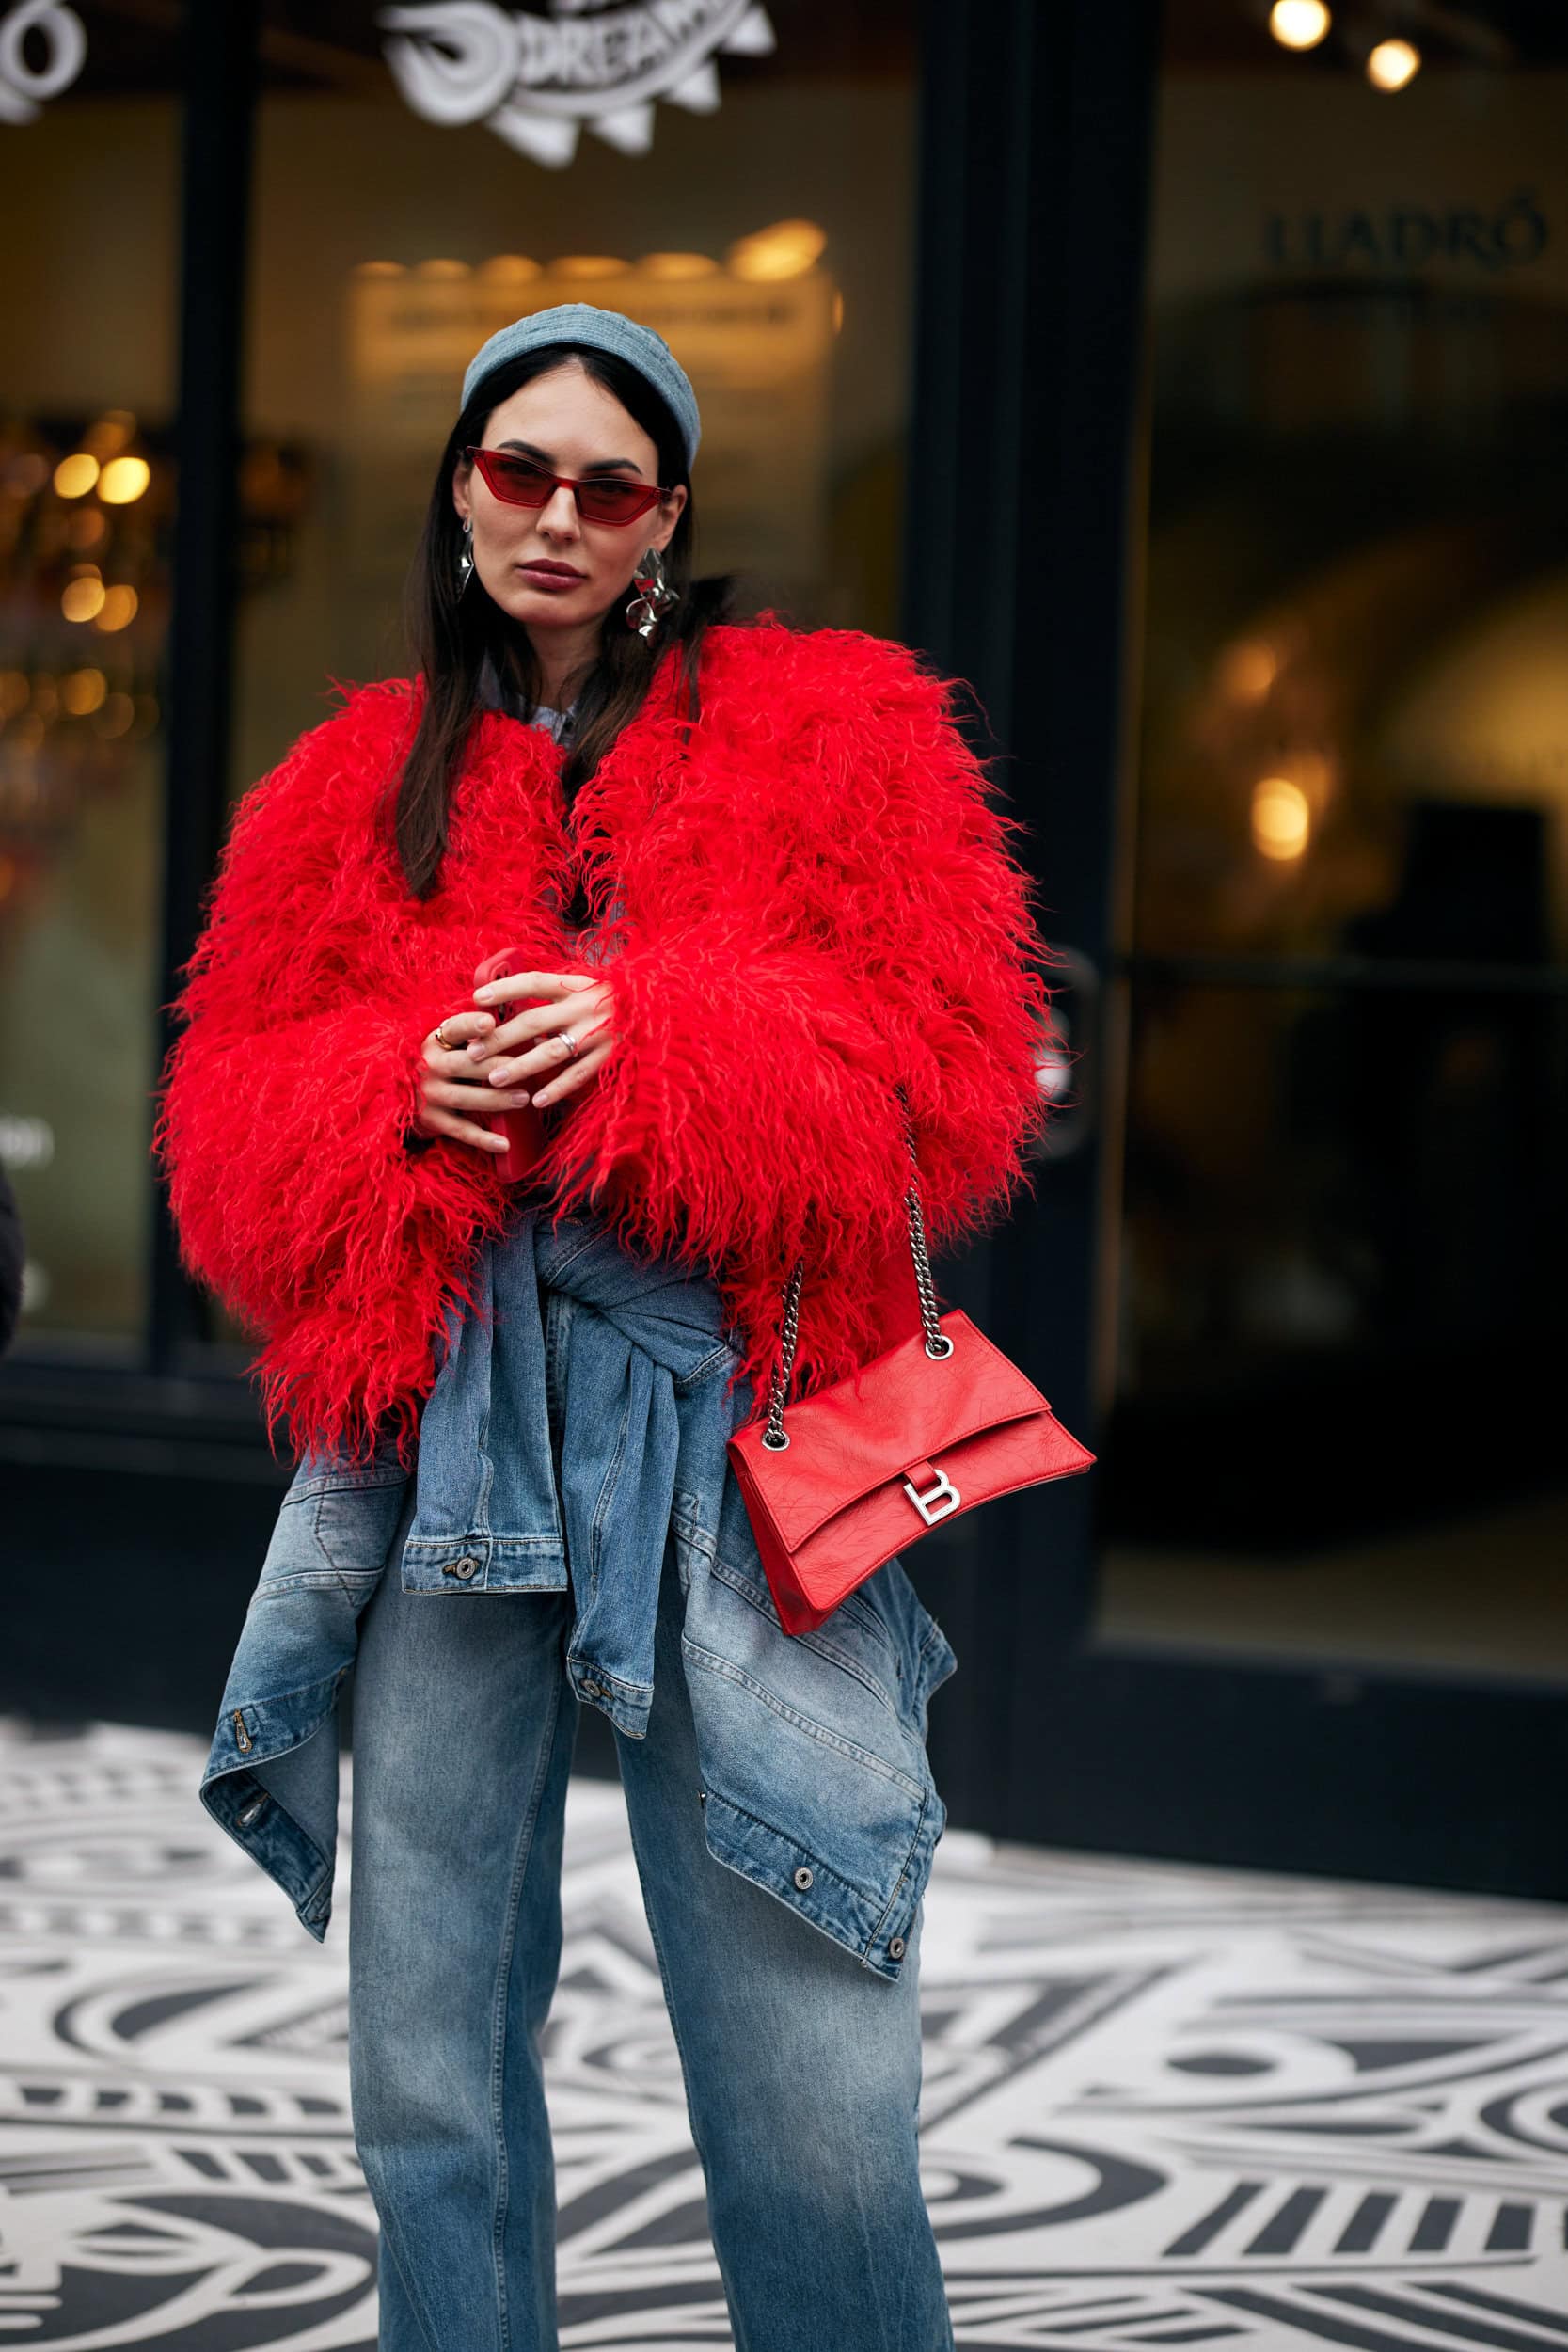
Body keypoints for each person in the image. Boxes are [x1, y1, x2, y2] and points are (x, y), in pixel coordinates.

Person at [154, 304, 1056, 2351]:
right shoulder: (344, 786)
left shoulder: (831, 731)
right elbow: (220, 1125)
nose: (556, 516)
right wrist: (396, 1091)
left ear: (668, 518)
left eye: (607, 484)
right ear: (461, 489)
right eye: (518, 470)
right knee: (428, 2065)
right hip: (448, 1424)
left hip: (735, 1410)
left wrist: (652, 1035)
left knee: (809, 2058)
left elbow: (955, 1070)